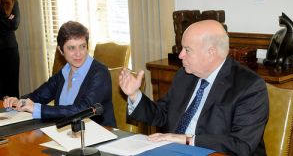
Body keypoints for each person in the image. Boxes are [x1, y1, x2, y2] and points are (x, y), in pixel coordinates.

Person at [119, 20, 269, 155]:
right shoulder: (185, 76)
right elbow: (162, 114)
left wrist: (186, 139)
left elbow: (240, 146)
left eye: (187, 50)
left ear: (211, 52)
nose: (181, 55)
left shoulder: (249, 87)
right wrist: (134, 94)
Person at [3, 21, 116, 127]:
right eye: (71, 48)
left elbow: (83, 110)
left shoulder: (100, 73)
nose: (78, 53)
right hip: (67, 136)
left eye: (82, 46)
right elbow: (37, 97)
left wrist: (38, 109)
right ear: (61, 50)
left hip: (99, 138)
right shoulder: (64, 72)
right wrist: (19, 101)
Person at [0, 0, 20, 99]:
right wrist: (6, 18)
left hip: (10, 51)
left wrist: (8, 21)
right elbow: (9, 23)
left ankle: (15, 117)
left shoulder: (12, 2)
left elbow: (14, 25)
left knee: (12, 88)